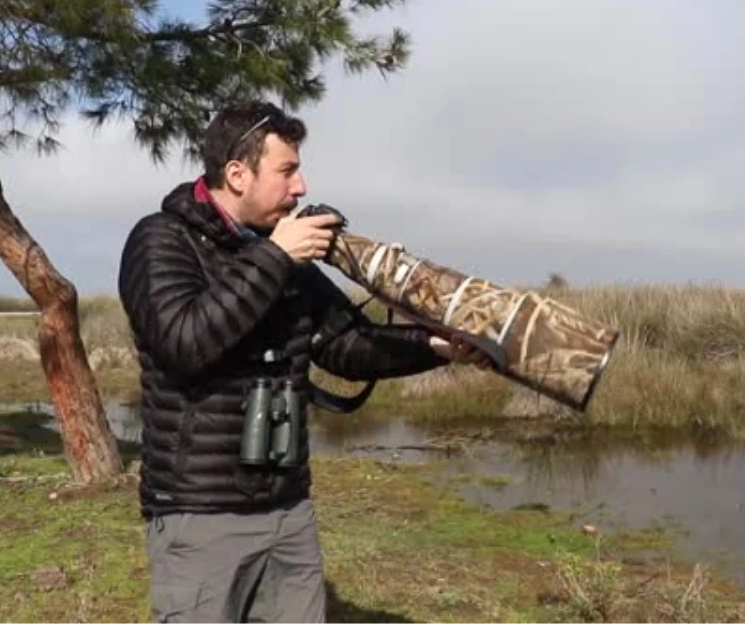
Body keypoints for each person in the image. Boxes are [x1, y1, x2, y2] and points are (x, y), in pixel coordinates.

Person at [116, 100, 486, 623]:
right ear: (238, 174)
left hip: (288, 508)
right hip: (199, 515)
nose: (302, 187)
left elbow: (345, 347)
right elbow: (184, 343)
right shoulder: (160, 240)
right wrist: (276, 258)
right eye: (287, 171)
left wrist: (432, 348)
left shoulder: (281, 250)